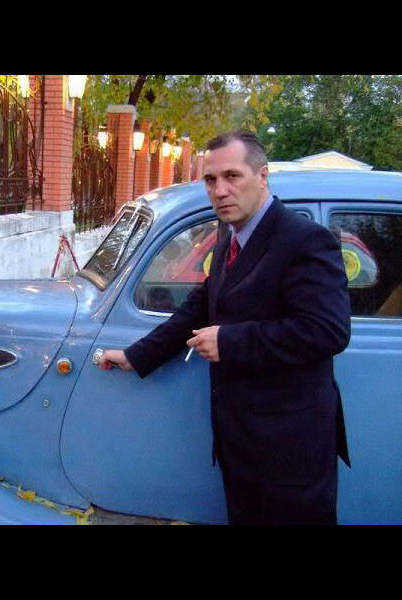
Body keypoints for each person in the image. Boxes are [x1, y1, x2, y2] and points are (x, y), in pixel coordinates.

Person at [98, 130, 351, 525]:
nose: (220, 191)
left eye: (232, 176)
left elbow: (327, 330)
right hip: (240, 437)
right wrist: (137, 355)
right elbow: (202, 306)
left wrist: (231, 341)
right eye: (211, 180)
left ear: (262, 177)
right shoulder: (228, 236)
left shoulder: (304, 240)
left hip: (291, 445)